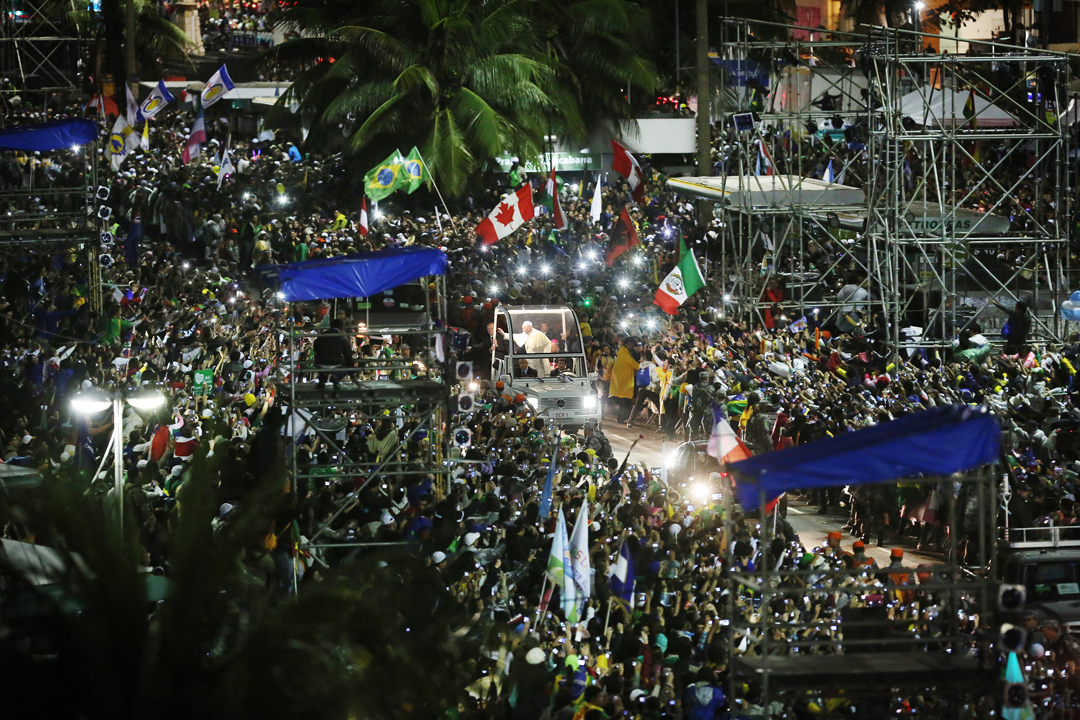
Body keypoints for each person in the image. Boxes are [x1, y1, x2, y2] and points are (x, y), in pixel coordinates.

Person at [609, 338, 640, 425]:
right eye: (632, 345)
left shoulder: (624, 352)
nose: (633, 347)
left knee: (624, 400)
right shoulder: (624, 353)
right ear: (627, 344)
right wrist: (645, 366)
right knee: (625, 400)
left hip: (624, 380)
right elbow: (633, 363)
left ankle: (622, 418)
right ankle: (623, 418)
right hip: (624, 380)